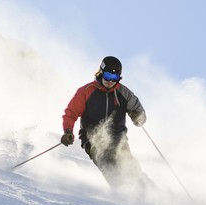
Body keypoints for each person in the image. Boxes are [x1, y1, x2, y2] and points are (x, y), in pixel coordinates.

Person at [60, 56, 148, 188]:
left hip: (119, 140)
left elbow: (139, 112)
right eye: (107, 76)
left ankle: (150, 193)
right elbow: (70, 113)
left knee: (131, 169)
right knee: (108, 162)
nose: (110, 81)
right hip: (92, 139)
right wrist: (68, 131)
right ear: (100, 72)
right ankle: (123, 193)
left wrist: (137, 116)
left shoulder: (124, 93)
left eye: (115, 78)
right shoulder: (86, 91)